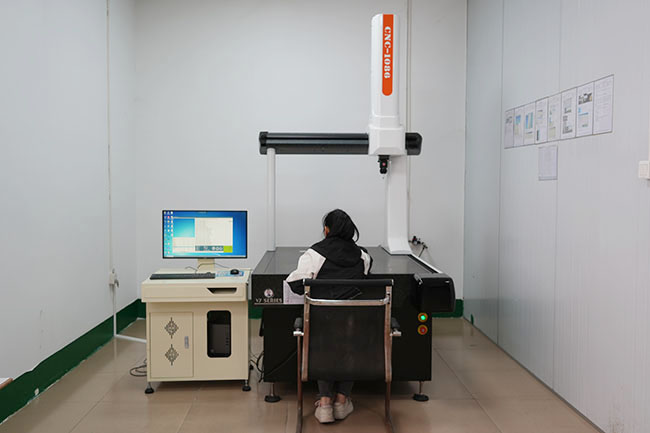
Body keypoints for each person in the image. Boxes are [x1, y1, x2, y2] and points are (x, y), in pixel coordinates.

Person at [285, 209, 372, 424]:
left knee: (324, 339)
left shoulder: (314, 255)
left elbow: (296, 284)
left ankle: (324, 404)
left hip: (321, 326)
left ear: (326, 230)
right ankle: (342, 401)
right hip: (353, 326)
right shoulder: (363, 257)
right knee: (348, 341)